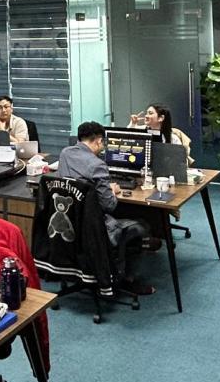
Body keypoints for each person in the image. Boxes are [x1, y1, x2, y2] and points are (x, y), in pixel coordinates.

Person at [56, 121, 153, 295]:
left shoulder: (65, 154)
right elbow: (109, 206)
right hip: (94, 227)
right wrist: (112, 190)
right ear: (99, 141)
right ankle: (127, 279)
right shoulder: (97, 165)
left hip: (70, 223)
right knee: (142, 226)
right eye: (103, 144)